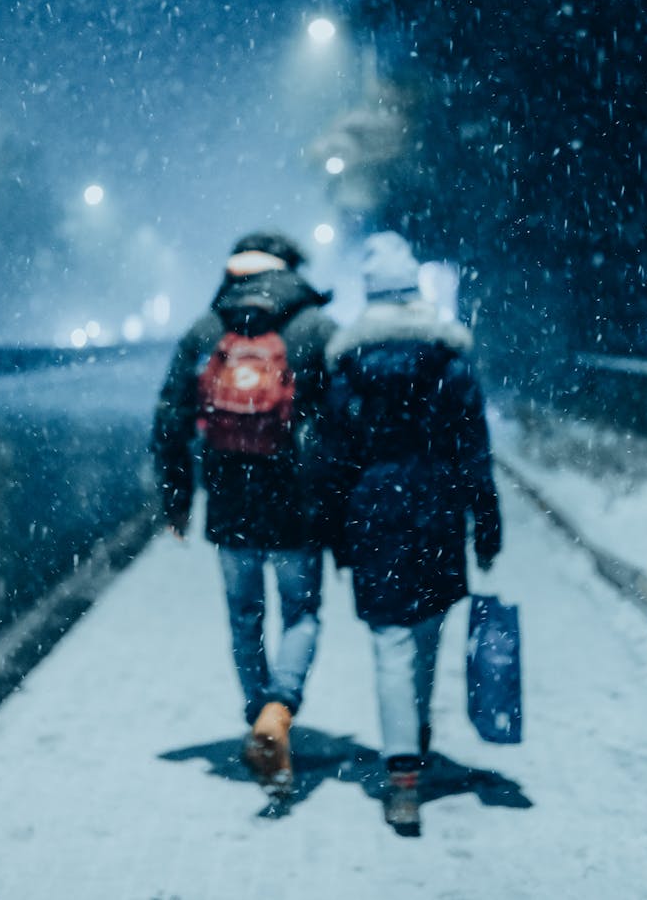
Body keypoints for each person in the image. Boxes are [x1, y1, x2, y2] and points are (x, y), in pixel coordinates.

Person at [323, 231, 502, 835]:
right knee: (426, 631)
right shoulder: (449, 359)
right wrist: (486, 517)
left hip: (373, 509)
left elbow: (335, 456)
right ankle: (415, 738)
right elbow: (473, 443)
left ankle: (402, 774)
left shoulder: (348, 365)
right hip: (437, 505)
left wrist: (336, 531)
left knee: (390, 642)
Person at [151, 231, 337, 795]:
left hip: (230, 502)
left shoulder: (209, 330)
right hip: (297, 503)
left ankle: (257, 714)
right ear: (291, 268)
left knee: (244, 616)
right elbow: (349, 423)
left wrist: (177, 498)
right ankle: (276, 714)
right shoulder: (313, 329)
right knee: (301, 613)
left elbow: (169, 419)